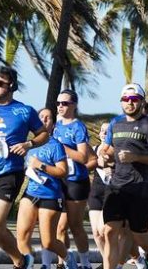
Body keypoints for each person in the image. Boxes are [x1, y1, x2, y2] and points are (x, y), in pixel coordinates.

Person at [0, 66, 49, 269]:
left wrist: (29, 144)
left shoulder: (24, 111)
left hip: (9, 173)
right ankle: (21, 260)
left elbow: (43, 134)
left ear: (11, 86)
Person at [98, 83, 148, 269]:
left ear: (142, 102)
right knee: (109, 231)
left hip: (140, 187)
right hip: (117, 185)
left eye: (134, 99)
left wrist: (136, 157)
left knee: (139, 234)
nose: (129, 103)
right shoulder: (116, 123)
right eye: (126, 99)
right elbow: (108, 148)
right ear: (121, 101)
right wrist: (105, 155)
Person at [16, 108, 69, 269]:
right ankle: (28, 265)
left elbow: (63, 171)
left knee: (48, 242)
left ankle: (69, 259)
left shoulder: (56, 145)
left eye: (48, 118)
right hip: (30, 192)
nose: (44, 120)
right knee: (22, 237)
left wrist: (41, 165)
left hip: (50, 195)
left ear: (53, 124)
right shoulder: (28, 144)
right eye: (41, 117)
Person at [53, 89, 92, 269]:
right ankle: (64, 262)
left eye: (65, 103)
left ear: (74, 105)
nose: (60, 106)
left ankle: (85, 262)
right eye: (58, 103)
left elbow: (83, 157)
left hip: (76, 180)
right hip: (60, 179)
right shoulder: (57, 125)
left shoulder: (78, 127)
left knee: (75, 225)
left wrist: (61, 148)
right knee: (60, 227)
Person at [87, 123, 110, 264]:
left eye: (107, 131)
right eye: (102, 131)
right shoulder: (94, 149)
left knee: (103, 230)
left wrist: (111, 168)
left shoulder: (114, 150)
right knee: (96, 233)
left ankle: (110, 262)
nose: (104, 133)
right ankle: (106, 262)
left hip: (111, 193)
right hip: (95, 192)